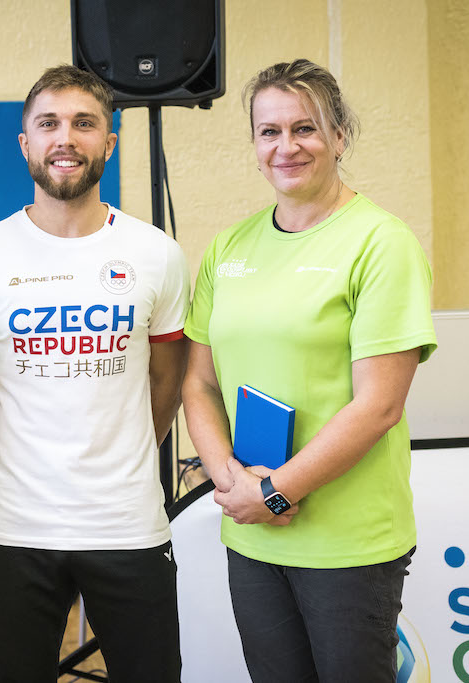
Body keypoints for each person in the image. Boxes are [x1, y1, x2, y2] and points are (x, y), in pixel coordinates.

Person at [181, 59, 437, 682]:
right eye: (269, 132)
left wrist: (276, 490)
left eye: (305, 129)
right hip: (254, 533)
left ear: (339, 136)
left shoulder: (381, 243)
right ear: (254, 145)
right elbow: (200, 383)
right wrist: (233, 483)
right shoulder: (229, 248)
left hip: (347, 541)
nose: (286, 146)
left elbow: (379, 405)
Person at [0, 64, 188, 683]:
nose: (66, 138)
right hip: (15, 528)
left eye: (84, 123)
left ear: (110, 141)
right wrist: (6, 468)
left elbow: (167, 381)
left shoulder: (156, 254)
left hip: (128, 524)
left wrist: (127, 452)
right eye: (48, 124)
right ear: (24, 142)